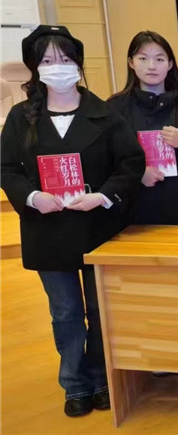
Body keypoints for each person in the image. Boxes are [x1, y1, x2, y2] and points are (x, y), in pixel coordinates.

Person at [0, 25, 144, 417]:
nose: (57, 67)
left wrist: (103, 196)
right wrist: (33, 197)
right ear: (35, 67)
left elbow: (130, 163)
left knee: (100, 309)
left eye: (64, 59)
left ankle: (100, 378)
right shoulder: (21, 118)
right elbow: (7, 168)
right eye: (47, 60)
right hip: (47, 229)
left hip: (98, 227)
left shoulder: (105, 113)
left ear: (78, 64)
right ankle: (74, 383)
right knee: (65, 312)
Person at [107, 31, 178, 225]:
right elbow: (104, 160)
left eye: (159, 59)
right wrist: (137, 174)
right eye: (143, 58)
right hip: (132, 214)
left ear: (170, 64)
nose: (151, 66)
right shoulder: (115, 108)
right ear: (131, 62)